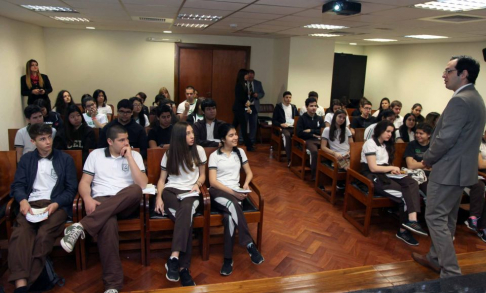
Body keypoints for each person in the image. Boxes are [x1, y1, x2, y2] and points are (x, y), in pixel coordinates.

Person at [412, 55, 485, 278]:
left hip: (448, 171)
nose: (444, 75)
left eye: (448, 71)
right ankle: (435, 257)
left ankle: (451, 272)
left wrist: (428, 158)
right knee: (448, 218)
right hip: (462, 171)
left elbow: (445, 138)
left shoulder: (460, 100)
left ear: (463, 74)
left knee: (434, 218)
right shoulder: (476, 98)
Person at [8, 123, 77, 293]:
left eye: (49, 137)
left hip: (55, 204)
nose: (48, 142)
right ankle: (21, 284)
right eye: (42, 139)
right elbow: (18, 185)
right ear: (33, 141)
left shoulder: (65, 159)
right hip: (31, 204)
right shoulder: (26, 159)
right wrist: (23, 201)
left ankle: (28, 282)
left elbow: (71, 189)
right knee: (20, 234)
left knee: (44, 234)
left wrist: (56, 204)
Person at [154, 122, 206, 287]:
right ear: (179, 136)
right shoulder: (169, 153)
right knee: (186, 220)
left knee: (186, 214)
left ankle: (175, 259)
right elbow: (162, 180)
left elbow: (203, 175)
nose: (192, 136)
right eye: (188, 133)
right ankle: (184, 269)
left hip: (191, 192)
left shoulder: (199, 150)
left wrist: (197, 184)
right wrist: (159, 198)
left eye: (192, 133)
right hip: (171, 191)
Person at [208, 123, 264, 276]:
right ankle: (249, 244)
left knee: (229, 219)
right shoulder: (214, 156)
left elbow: (249, 172)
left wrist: (245, 184)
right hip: (219, 192)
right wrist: (233, 192)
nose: (235, 137)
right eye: (231, 135)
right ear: (223, 139)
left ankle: (227, 260)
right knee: (232, 204)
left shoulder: (240, 152)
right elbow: (213, 182)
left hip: (237, 193)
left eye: (235, 134)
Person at [361, 120, 427, 246]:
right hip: (374, 175)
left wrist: (395, 170)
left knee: (411, 182)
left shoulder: (386, 144)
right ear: (380, 130)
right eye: (388, 131)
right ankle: (403, 231)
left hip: (386, 173)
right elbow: (373, 168)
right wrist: (392, 168)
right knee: (404, 195)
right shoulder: (370, 144)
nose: (390, 134)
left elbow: (386, 165)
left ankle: (413, 220)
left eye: (391, 132)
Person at [296, 97, 324, 181]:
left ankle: (324, 174)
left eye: (315, 106)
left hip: (319, 139)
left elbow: (323, 130)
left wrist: (311, 131)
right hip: (308, 140)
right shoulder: (302, 118)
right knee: (315, 151)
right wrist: (313, 135)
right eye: (311, 106)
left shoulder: (319, 118)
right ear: (306, 107)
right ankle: (314, 175)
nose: (314, 108)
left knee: (327, 149)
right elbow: (299, 133)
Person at [404, 123, 432, 195]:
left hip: (432, 174)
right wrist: (427, 164)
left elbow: (436, 165)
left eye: (421, 133)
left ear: (429, 135)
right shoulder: (412, 145)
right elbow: (410, 165)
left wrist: (417, 163)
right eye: (416, 133)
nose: (418, 135)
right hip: (418, 174)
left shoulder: (433, 145)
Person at [272, 91, 299, 166]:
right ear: (283, 98)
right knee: (287, 136)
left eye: (290, 97)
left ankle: (297, 158)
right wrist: (281, 124)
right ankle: (289, 159)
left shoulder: (293, 107)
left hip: (292, 127)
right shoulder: (278, 107)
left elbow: (297, 118)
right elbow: (274, 120)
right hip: (283, 128)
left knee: (298, 135)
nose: (288, 99)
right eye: (286, 97)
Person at [233, 69, 254, 151]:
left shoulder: (244, 84)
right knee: (244, 127)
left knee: (234, 125)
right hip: (239, 109)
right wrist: (247, 103)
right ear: (242, 75)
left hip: (240, 108)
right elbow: (240, 97)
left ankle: (224, 138)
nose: (248, 76)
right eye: (246, 74)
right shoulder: (239, 85)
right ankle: (248, 145)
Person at [246, 69, 265, 144]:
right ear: (247, 76)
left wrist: (258, 95)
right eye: (249, 76)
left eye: (252, 76)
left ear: (254, 75)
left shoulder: (258, 83)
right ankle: (241, 139)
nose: (251, 78)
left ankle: (252, 140)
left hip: (254, 106)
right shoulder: (243, 83)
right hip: (246, 106)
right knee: (243, 123)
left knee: (253, 124)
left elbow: (262, 93)